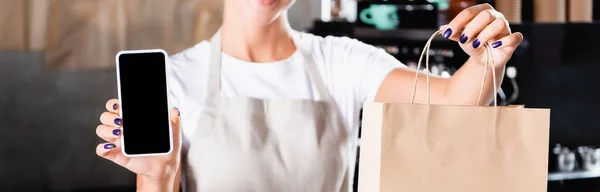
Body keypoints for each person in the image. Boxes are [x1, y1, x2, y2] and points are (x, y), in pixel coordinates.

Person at [95, 0, 523, 191]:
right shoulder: (174, 78)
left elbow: (452, 102)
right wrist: (155, 178)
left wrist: (491, 59)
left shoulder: (343, 60)